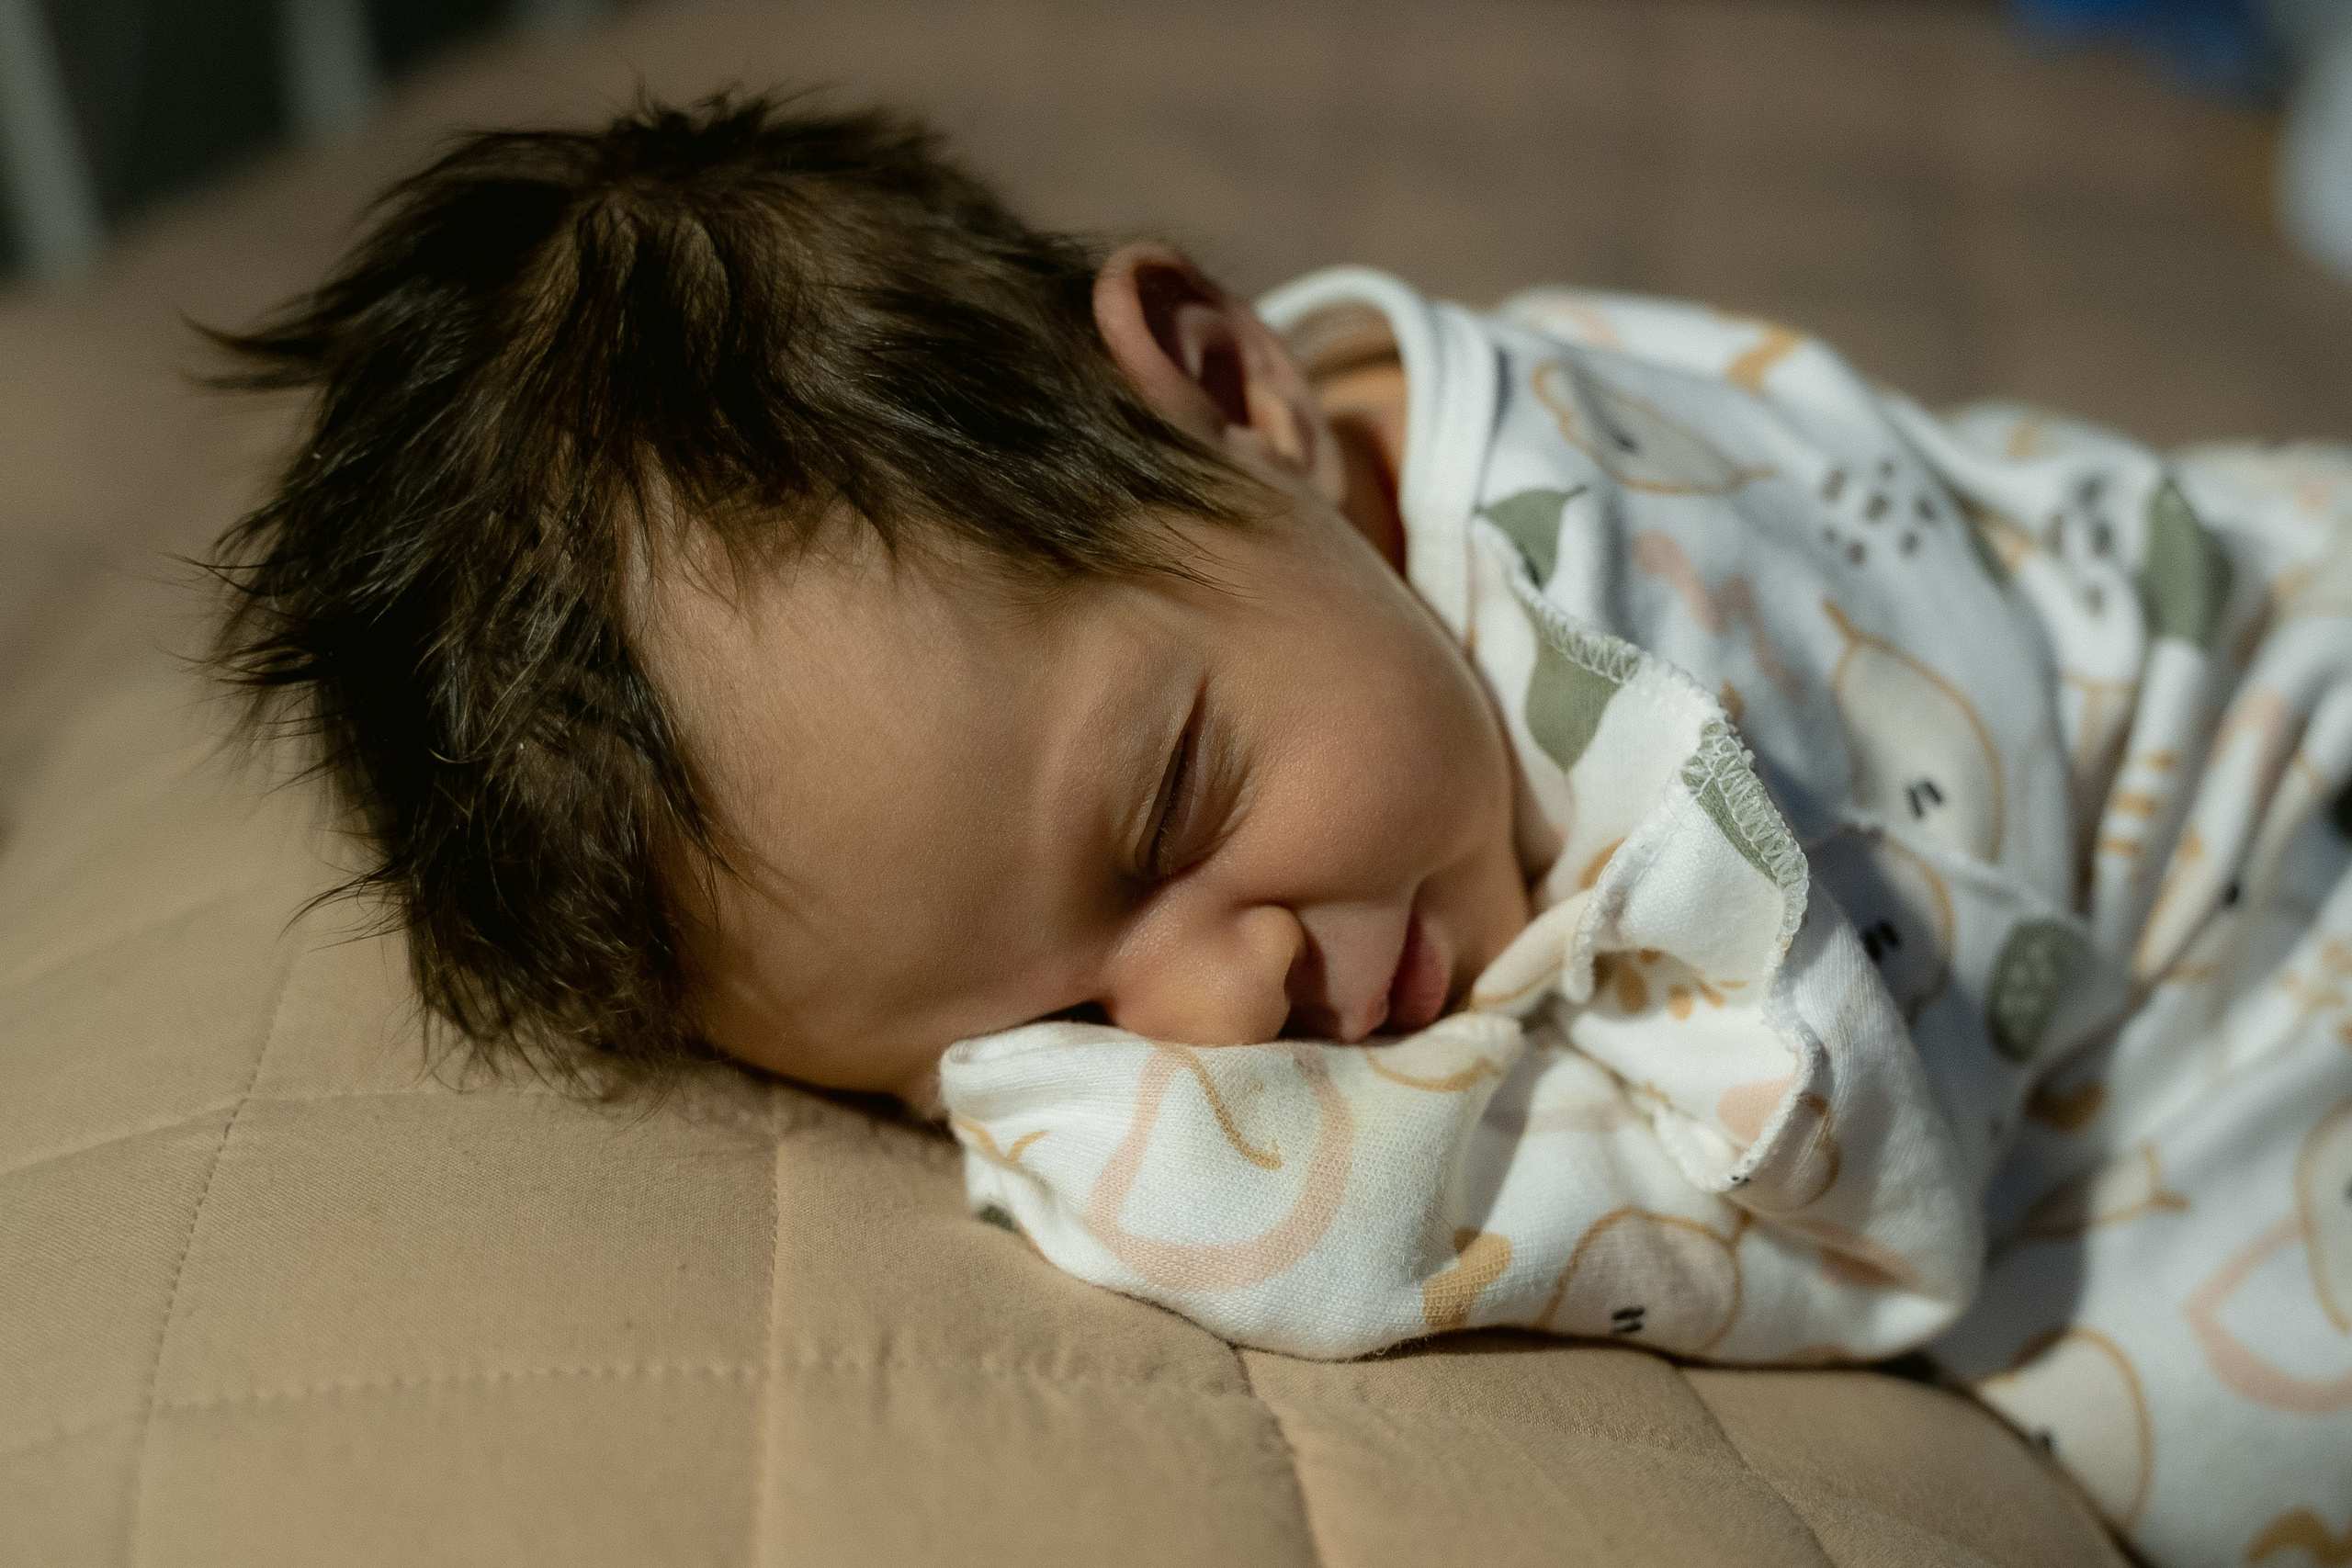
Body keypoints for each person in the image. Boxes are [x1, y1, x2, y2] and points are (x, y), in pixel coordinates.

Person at [209, 95, 2352, 1567]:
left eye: (1171, 808)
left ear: (1234, 395)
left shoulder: (1644, 599)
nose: (1220, 1009)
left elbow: (1862, 1180)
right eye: (1053, 1023)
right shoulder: (1266, 641)